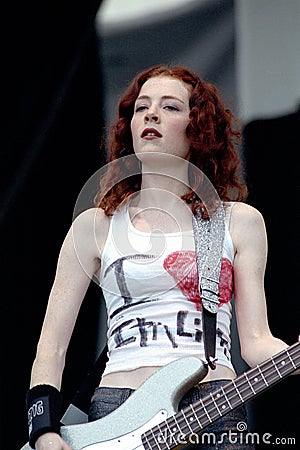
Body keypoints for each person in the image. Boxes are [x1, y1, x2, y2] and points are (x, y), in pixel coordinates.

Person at [25, 64, 298, 450]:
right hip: (119, 408)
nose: (151, 114)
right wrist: (44, 432)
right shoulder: (94, 226)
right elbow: (50, 347)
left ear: (198, 128)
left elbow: (255, 343)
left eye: (170, 107)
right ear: (130, 127)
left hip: (214, 405)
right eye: (141, 107)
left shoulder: (239, 222)